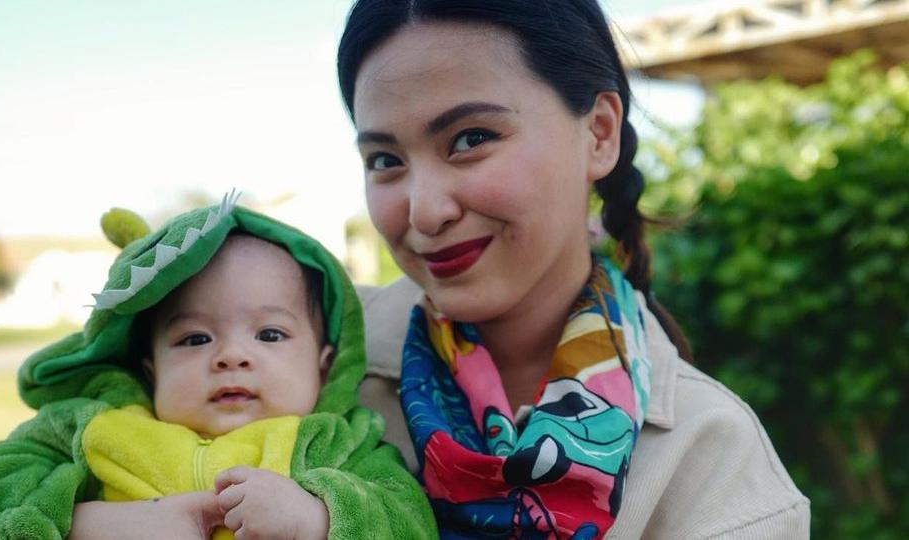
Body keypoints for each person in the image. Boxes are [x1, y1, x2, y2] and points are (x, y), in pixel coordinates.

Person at [337, 1, 811, 538]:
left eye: (471, 138)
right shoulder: (310, 365)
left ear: (600, 134)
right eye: (385, 160)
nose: (425, 211)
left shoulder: (716, 470)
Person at [0, 201, 436, 540]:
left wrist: (317, 518)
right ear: (151, 369)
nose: (231, 356)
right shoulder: (91, 429)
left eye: (269, 334)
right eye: (195, 339)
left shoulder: (339, 445)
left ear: (325, 367)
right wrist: (97, 526)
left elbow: (410, 522)